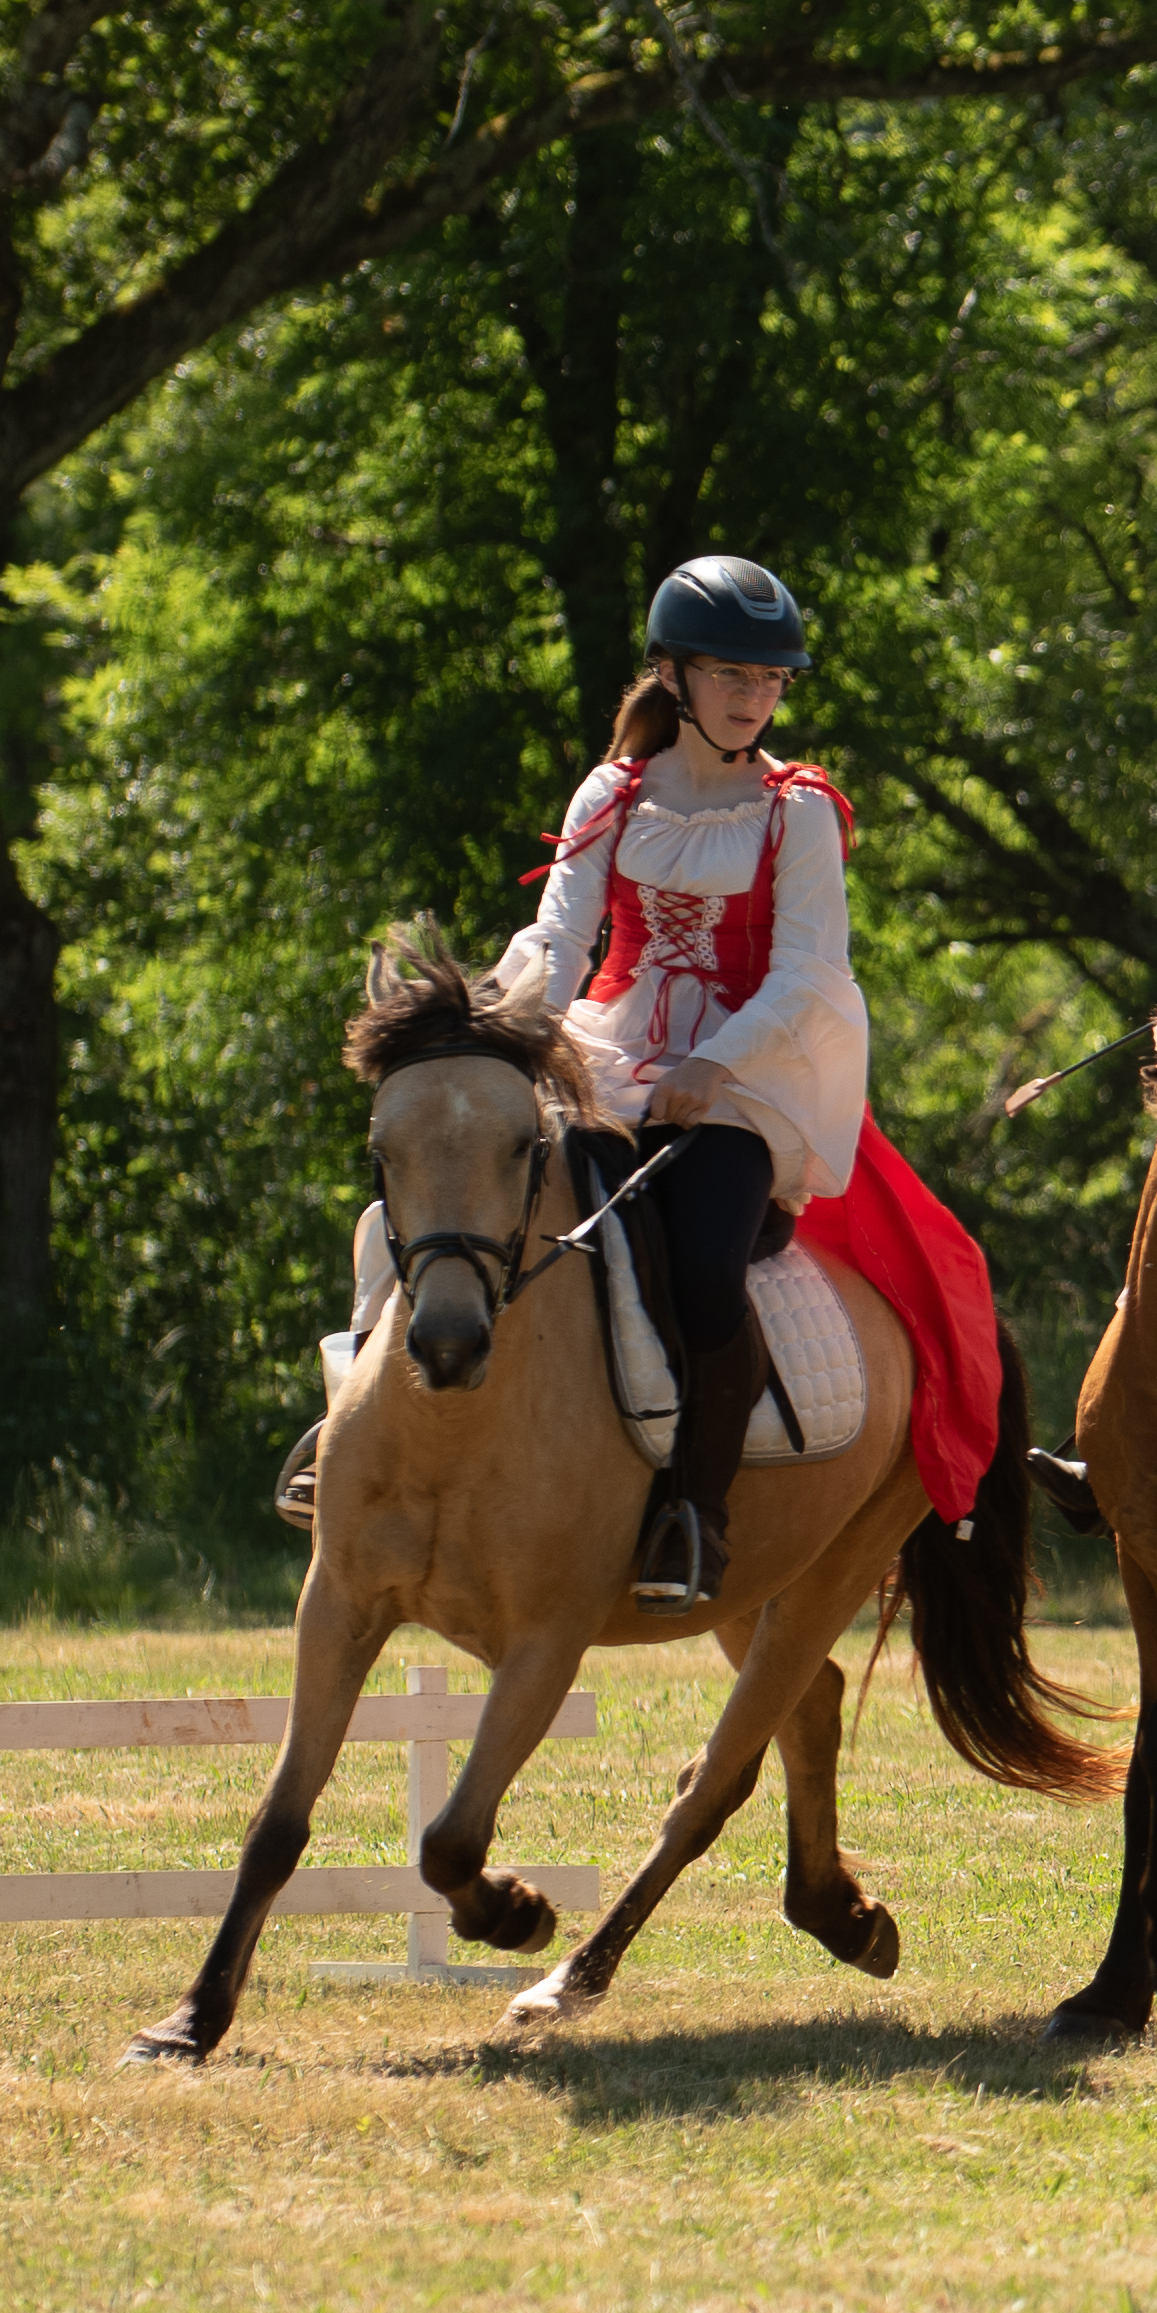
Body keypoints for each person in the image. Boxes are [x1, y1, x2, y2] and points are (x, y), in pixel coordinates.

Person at [495, 555, 878, 1602]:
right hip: (609, 1048)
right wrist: (502, 1028)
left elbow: (807, 971)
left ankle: (693, 1514)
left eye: (771, 682)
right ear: (672, 674)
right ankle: (365, 1430)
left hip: (749, 1071)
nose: (754, 698)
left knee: (705, 1263)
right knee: (472, 1180)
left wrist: (713, 1065)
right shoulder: (614, 792)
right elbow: (562, 935)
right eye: (731, 676)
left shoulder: (795, 809)